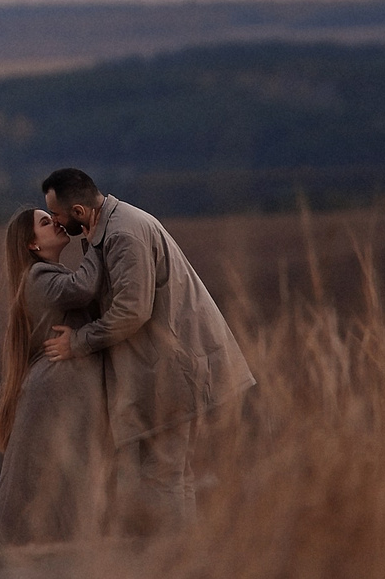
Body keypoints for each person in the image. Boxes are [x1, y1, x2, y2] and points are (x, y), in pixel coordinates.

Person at [39, 167, 254, 535]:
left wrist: (76, 342)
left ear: (78, 211)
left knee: (161, 477)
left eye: (57, 215)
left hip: (172, 368)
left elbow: (130, 311)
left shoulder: (124, 235)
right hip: (163, 368)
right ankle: (177, 559)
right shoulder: (109, 229)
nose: (56, 223)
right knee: (168, 474)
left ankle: (169, 564)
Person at [0, 205, 115, 548]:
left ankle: (45, 548)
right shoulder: (39, 277)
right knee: (52, 477)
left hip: (62, 388)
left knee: (57, 476)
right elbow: (84, 287)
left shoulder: (45, 274)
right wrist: (94, 239)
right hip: (56, 391)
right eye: (46, 222)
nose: (56, 223)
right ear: (32, 244)